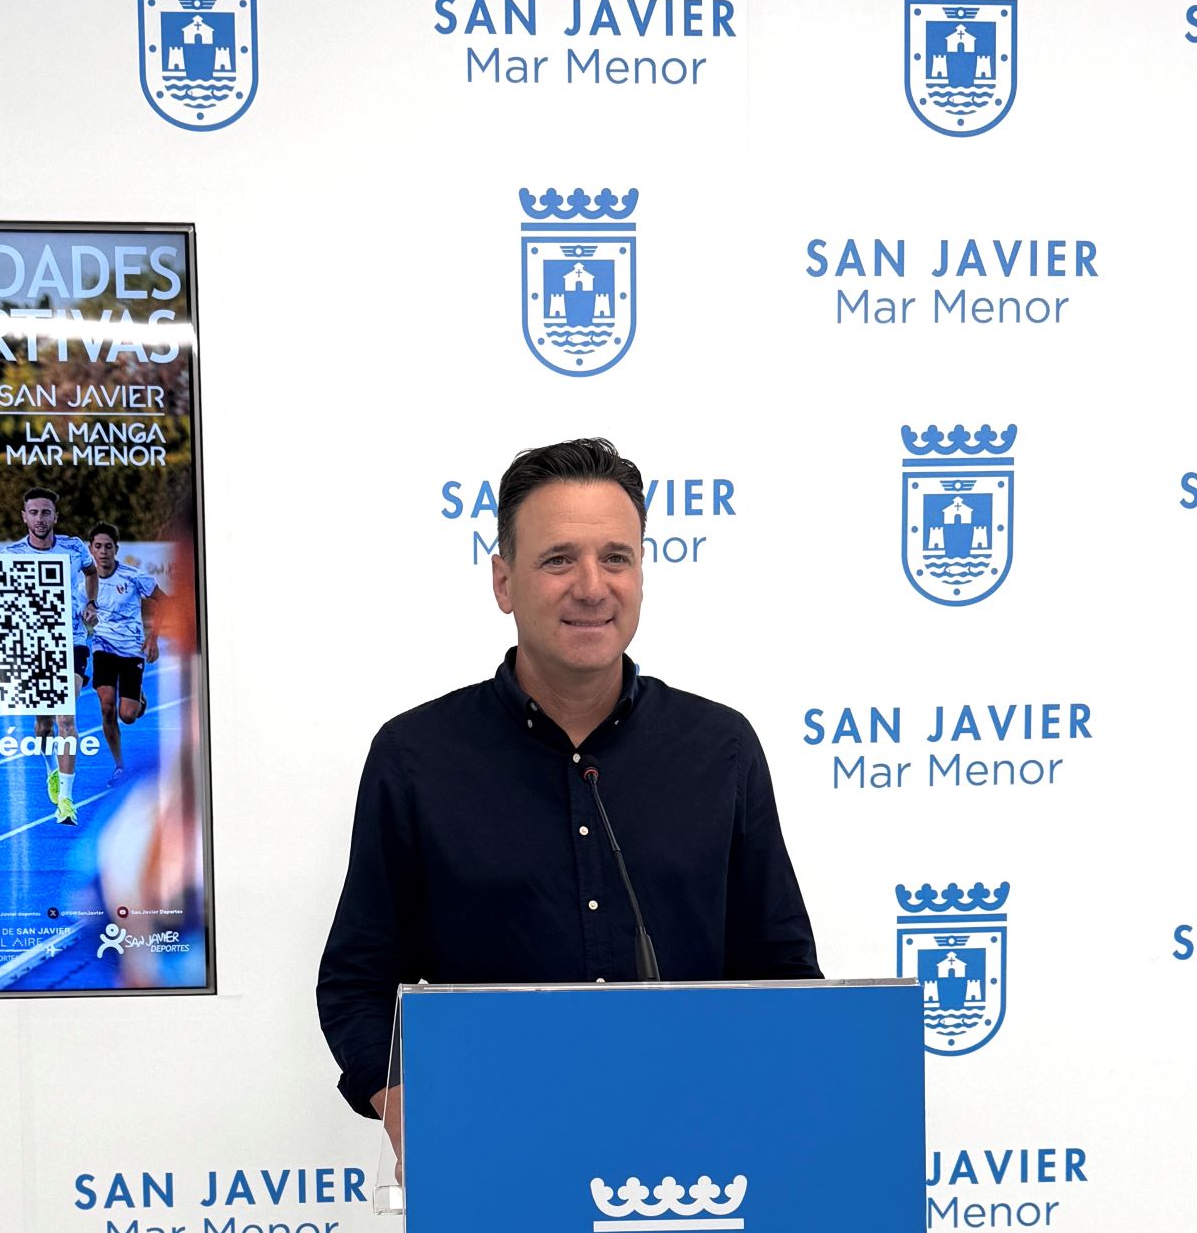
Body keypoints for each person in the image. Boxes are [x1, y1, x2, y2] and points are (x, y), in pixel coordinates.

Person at [316, 437, 819, 1134]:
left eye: (616, 558)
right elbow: (358, 981)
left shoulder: (720, 748)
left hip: (696, 1142)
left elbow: (784, 975)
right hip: (494, 1141)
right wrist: (398, 1097)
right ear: (503, 582)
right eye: (558, 560)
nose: (591, 586)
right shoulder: (415, 757)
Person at [4, 489, 97, 827]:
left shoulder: (73, 548)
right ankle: (51, 771)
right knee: (43, 725)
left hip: (71, 640)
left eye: (46, 512)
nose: (40, 518)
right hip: (34, 646)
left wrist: (91, 603)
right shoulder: (11, 554)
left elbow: (91, 573)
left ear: (55, 516)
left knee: (65, 718)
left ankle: (67, 802)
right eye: (34, 512)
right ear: (24, 516)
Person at [87, 524, 161, 784]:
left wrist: (153, 638)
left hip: (131, 651)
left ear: (116, 549)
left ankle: (138, 697)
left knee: (127, 716)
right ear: (90, 549)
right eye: (98, 546)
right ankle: (120, 766)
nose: (103, 551)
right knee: (106, 706)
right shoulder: (84, 581)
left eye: (108, 546)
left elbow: (164, 601)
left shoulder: (132, 577)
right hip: (102, 648)